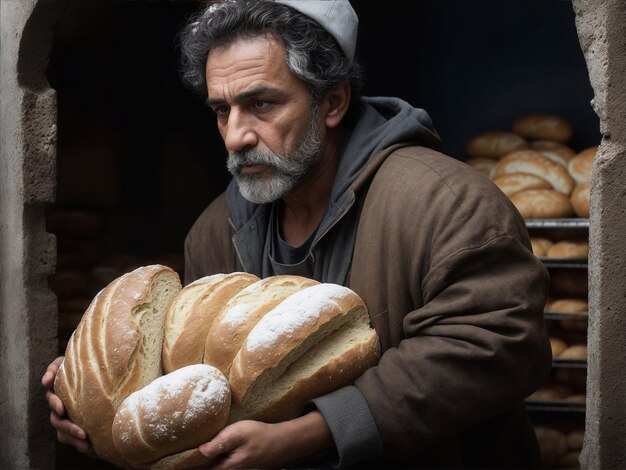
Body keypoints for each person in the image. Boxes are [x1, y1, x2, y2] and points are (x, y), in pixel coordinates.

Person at [43, 0, 553, 468]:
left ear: (332, 102)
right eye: (222, 110)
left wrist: (319, 431)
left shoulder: (447, 202)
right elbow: (192, 377)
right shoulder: (214, 231)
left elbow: (498, 347)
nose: (237, 135)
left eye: (261, 104)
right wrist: (95, 394)